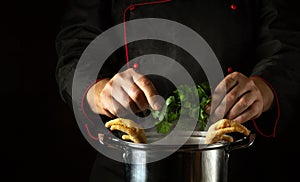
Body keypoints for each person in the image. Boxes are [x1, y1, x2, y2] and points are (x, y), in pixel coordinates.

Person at [55, 0, 300, 181]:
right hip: (129, 164)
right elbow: (77, 44)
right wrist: (100, 92)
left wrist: (262, 89)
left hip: (233, 162)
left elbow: (287, 43)